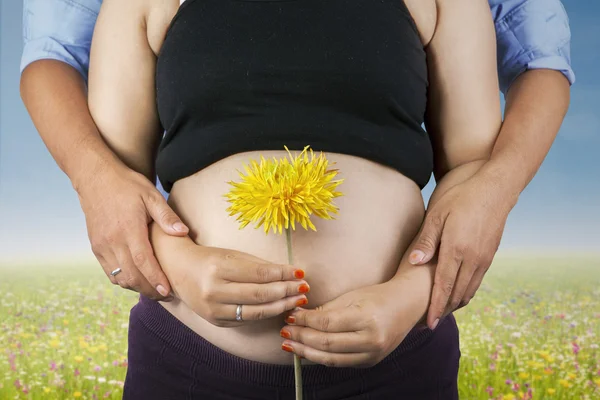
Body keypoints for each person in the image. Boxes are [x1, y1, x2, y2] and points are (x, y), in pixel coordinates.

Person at [20, 0, 573, 398]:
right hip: (190, 367)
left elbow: (471, 178)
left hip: (400, 363)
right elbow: (117, 190)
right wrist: (181, 268)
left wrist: (409, 297)